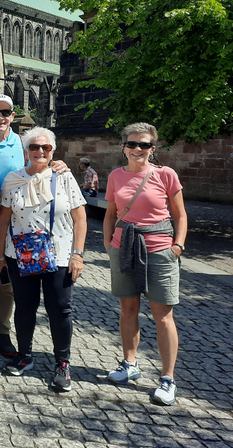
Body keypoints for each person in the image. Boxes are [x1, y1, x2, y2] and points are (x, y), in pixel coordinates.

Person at [0, 94, 68, 358]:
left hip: (15, 219)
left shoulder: (25, 144)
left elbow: (40, 164)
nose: (1, 117)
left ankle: (1, 331)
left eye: (6, 112)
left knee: (8, 280)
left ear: (13, 116)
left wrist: (58, 164)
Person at [0, 127, 87, 392]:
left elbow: (80, 218)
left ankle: (63, 363)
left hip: (58, 254)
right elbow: (3, 219)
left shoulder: (64, 177)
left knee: (60, 308)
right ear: (26, 151)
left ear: (53, 151)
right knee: (25, 306)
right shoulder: (13, 179)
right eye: (34, 147)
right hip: (21, 254)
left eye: (46, 148)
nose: (40, 152)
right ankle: (25, 354)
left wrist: (78, 255)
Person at [103, 122, 186, 406]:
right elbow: (111, 212)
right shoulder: (115, 175)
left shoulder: (166, 175)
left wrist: (178, 245)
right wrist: (107, 243)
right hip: (123, 247)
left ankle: (167, 379)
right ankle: (130, 365)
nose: (138, 149)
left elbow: (180, 215)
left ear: (153, 148)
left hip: (160, 250)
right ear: (123, 146)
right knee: (128, 308)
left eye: (144, 145)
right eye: (132, 144)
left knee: (162, 314)